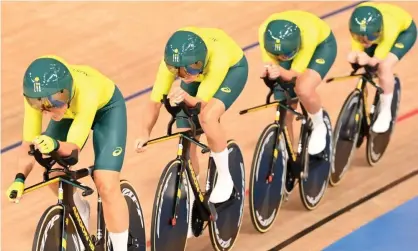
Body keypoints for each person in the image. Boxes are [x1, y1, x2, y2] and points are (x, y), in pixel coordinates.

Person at [5, 55, 130, 251]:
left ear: (67, 93)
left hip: (106, 109)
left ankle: (121, 247)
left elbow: (72, 150)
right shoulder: (41, 98)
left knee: (106, 183)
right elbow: (28, 146)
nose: (47, 111)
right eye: (41, 107)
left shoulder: (85, 92)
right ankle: (79, 208)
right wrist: (19, 178)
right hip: (70, 113)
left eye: (54, 104)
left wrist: (54, 143)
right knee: (53, 174)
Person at [134, 26, 248, 237]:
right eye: (177, 72)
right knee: (185, 131)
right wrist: (144, 133)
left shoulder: (218, 57)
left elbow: (202, 105)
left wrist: (185, 97)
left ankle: (225, 178)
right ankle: (193, 194)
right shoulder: (175, 64)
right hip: (201, 77)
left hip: (232, 71)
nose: (182, 75)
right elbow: (154, 102)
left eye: (188, 71)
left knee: (207, 117)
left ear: (199, 63)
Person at [258, 10, 337, 154]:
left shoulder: (309, 34)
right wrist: (270, 70)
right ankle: (289, 153)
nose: (282, 58)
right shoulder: (264, 31)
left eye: (286, 55)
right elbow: (272, 62)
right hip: (288, 45)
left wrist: (279, 71)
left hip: (321, 47)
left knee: (303, 88)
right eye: (277, 55)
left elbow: (295, 74)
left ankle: (319, 125)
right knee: (284, 104)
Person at [347, 2, 417, 133]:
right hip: (376, 31)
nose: (365, 42)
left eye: (370, 37)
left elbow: (375, 61)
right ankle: (361, 103)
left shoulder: (390, 28)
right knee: (363, 62)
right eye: (359, 37)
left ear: (378, 31)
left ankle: (386, 111)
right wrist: (355, 55)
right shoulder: (357, 24)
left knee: (383, 67)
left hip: (403, 34)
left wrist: (369, 60)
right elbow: (358, 47)